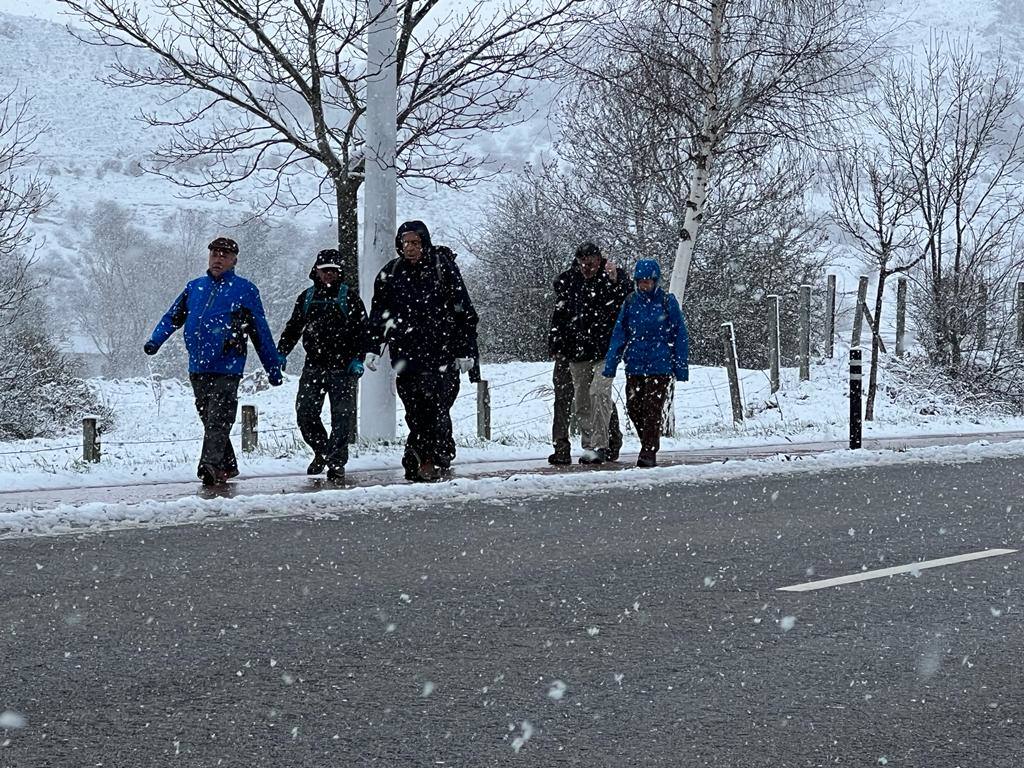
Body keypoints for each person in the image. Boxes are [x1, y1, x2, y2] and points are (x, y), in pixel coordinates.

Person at [144, 236, 283, 486]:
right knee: (209, 417)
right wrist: (155, 340)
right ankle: (227, 465)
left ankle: (208, 465)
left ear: (234, 260)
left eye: (224, 255)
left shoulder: (245, 290)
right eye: (214, 254)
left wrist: (272, 368)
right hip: (198, 365)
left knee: (219, 416)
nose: (218, 258)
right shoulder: (194, 287)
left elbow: (260, 331)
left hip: (228, 364)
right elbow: (173, 317)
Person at [366, 220, 479, 482]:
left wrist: (465, 350)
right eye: (405, 243)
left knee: (436, 409)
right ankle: (435, 452)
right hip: (406, 358)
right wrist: (373, 347)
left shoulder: (443, 269)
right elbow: (379, 315)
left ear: (424, 243)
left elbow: (464, 311)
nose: (410, 248)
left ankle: (424, 459)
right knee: (416, 412)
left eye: (415, 243)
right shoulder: (390, 273)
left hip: (442, 355)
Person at [276, 249, 371, 483]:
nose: (328, 274)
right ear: (316, 271)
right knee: (305, 413)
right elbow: (293, 328)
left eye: (333, 270)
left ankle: (336, 463)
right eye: (325, 269)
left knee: (342, 417)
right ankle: (322, 451)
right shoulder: (306, 297)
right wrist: (280, 353)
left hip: (343, 368)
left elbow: (364, 331)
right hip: (314, 366)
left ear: (340, 273)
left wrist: (359, 358)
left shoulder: (350, 298)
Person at [547, 241, 631, 464]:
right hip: (576, 350)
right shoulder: (569, 281)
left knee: (599, 394)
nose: (587, 268)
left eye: (591, 264)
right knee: (582, 399)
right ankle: (590, 445)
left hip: (605, 349)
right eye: (583, 263)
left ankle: (601, 444)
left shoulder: (613, 276)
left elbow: (627, 301)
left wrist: (615, 281)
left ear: (599, 260)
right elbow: (561, 313)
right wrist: (555, 343)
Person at [602, 259, 689, 468]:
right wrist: (611, 363)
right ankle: (649, 441)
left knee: (652, 408)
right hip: (635, 364)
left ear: (655, 281)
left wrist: (681, 365)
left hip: (660, 365)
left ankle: (648, 452)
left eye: (648, 281)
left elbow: (680, 334)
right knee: (634, 407)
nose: (644, 285)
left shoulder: (667, 302)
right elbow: (619, 334)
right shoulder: (630, 303)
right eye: (641, 281)